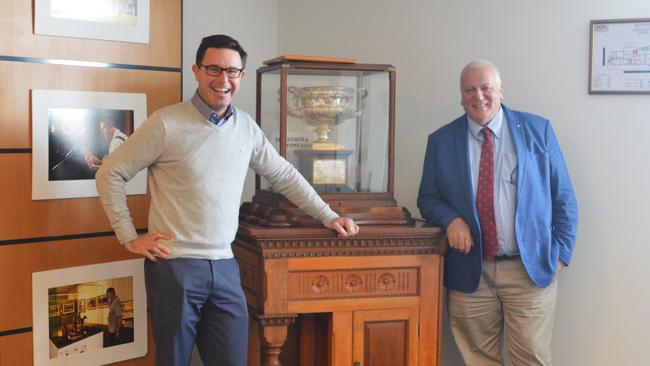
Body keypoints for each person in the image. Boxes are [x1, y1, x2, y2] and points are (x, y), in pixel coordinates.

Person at [96, 34, 359, 366]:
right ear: (196, 71)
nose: (223, 80)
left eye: (232, 71)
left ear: (242, 77)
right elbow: (110, 173)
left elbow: (284, 174)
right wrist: (129, 237)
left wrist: (327, 215)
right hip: (175, 268)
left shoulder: (246, 128)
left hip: (225, 267)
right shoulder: (165, 123)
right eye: (214, 69)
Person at [417, 60, 577, 366]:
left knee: (531, 359)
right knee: (478, 360)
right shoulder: (441, 141)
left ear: (500, 91)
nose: (479, 96)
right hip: (470, 272)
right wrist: (451, 219)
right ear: (461, 96)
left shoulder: (537, 130)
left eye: (486, 87)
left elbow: (564, 197)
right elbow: (427, 197)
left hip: (528, 269)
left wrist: (561, 255)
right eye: (470, 90)